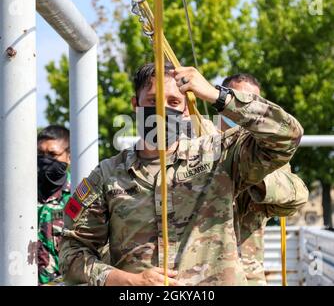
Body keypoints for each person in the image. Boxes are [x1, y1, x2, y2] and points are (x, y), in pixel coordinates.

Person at [59, 63, 304, 286]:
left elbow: (287, 135)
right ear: (135, 106)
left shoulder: (218, 155)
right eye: (153, 101)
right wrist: (125, 280)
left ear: (186, 110)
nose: (163, 110)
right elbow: (72, 250)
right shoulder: (108, 175)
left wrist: (216, 95)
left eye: (174, 102)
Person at [221, 74, 308, 285]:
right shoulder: (201, 149)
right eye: (238, 100)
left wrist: (255, 176)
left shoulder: (265, 158)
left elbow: (296, 197)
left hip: (249, 277)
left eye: (251, 103)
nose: (243, 110)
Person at [37, 125, 71, 285]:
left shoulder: (81, 197)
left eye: (52, 154)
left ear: (69, 157)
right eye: (39, 154)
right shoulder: (16, 197)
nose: (45, 159)